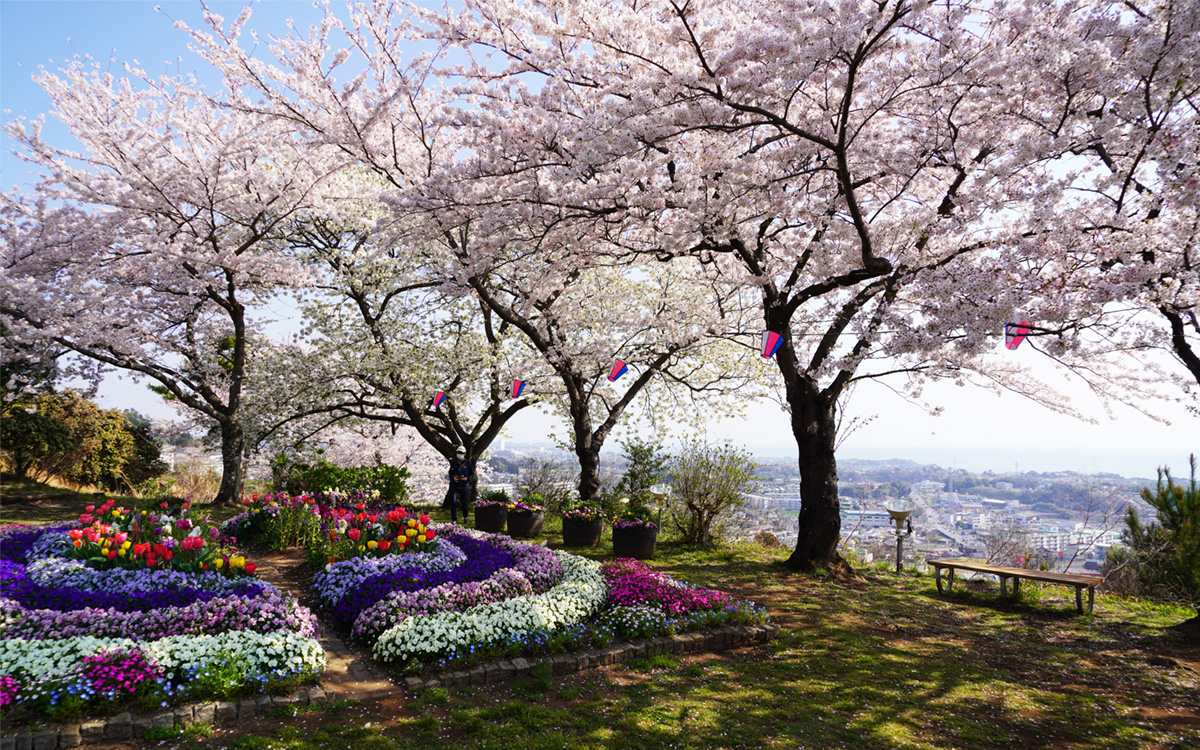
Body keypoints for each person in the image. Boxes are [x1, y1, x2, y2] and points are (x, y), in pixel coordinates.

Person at [446, 446, 475, 524]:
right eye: (458, 453)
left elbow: (471, 473)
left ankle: (465, 517)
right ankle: (454, 519)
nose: (459, 454)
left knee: (464, 502)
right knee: (453, 501)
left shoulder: (468, 463)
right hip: (454, 485)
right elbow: (450, 473)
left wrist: (467, 478)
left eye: (461, 453)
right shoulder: (454, 463)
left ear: (465, 454)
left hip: (464, 485)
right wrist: (453, 477)